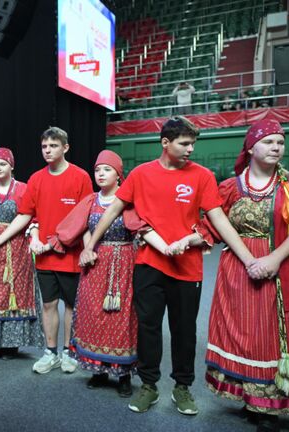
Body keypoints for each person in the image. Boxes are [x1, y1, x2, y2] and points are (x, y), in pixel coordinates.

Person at [79, 116, 256, 416]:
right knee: (148, 328)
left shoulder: (201, 176)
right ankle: (149, 385)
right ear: (165, 142)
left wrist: (247, 257)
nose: (190, 149)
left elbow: (218, 219)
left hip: (188, 268)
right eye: (184, 143)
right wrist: (89, 244)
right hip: (149, 264)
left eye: (192, 144)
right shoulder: (140, 174)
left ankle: (182, 387)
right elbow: (112, 212)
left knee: (184, 330)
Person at [203, 119, 289, 432]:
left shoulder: (288, 186)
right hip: (237, 272)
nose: (277, 147)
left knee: (269, 337)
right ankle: (249, 399)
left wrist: (273, 259)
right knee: (242, 335)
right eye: (269, 142)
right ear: (251, 147)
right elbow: (211, 226)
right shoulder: (229, 188)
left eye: (280, 142)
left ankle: (268, 408)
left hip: (277, 270)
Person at [0, 126, 93, 375]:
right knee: (48, 305)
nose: (48, 150)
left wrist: (82, 247)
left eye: (53, 146)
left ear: (65, 148)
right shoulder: (36, 179)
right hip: (44, 257)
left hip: (70, 255)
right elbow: (25, 215)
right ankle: (50, 352)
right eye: (44, 146)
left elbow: (84, 218)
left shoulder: (81, 177)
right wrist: (1, 239)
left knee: (70, 306)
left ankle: (69, 352)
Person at [49, 150, 140, 397]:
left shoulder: (129, 201)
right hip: (95, 264)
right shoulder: (91, 200)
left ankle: (122, 375)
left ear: (119, 174)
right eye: (98, 169)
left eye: (107, 169)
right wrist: (88, 248)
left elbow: (138, 229)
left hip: (122, 264)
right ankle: (97, 370)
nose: (100, 174)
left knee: (122, 318)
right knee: (92, 315)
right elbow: (79, 227)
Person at [0, 147, 43, 360]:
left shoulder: (23, 189)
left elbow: (32, 219)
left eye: (3, 164)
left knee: (14, 296)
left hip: (15, 250)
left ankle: (12, 345)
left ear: (12, 166)